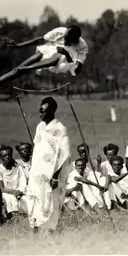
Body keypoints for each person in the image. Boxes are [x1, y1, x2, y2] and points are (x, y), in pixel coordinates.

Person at [0, 25, 88, 108]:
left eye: (67, 40)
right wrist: (18, 45)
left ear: (75, 41)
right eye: (64, 37)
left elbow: (76, 71)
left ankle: (29, 68)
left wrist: (66, 53)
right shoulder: (60, 31)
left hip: (66, 62)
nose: (64, 39)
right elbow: (40, 40)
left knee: (57, 55)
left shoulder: (82, 47)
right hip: (50, 50)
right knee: (15, 72)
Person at [26, 97, 72, 233]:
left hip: (51, 174)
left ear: (52, 111)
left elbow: (63, 155)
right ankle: (34, 230)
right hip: (37, 172)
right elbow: (38, 147)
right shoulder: (40, 127)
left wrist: (55, 177)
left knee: (50, 202)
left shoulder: (60, 129)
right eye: (40, 111)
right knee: (34, 200)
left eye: (44, 112)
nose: (41, 114)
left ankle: (50, 231)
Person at [0, 145, 29, 217]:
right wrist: (14, 192)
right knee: (10, 199)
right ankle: (13, 217)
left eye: (9, 154)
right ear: (0, 157)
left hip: (19, 192)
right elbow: (1, 188)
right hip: (6, 194)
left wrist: (19, 191)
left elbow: (23, 182)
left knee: (27, 200)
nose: (7, 157)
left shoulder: (18, 167)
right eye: (4, 155)